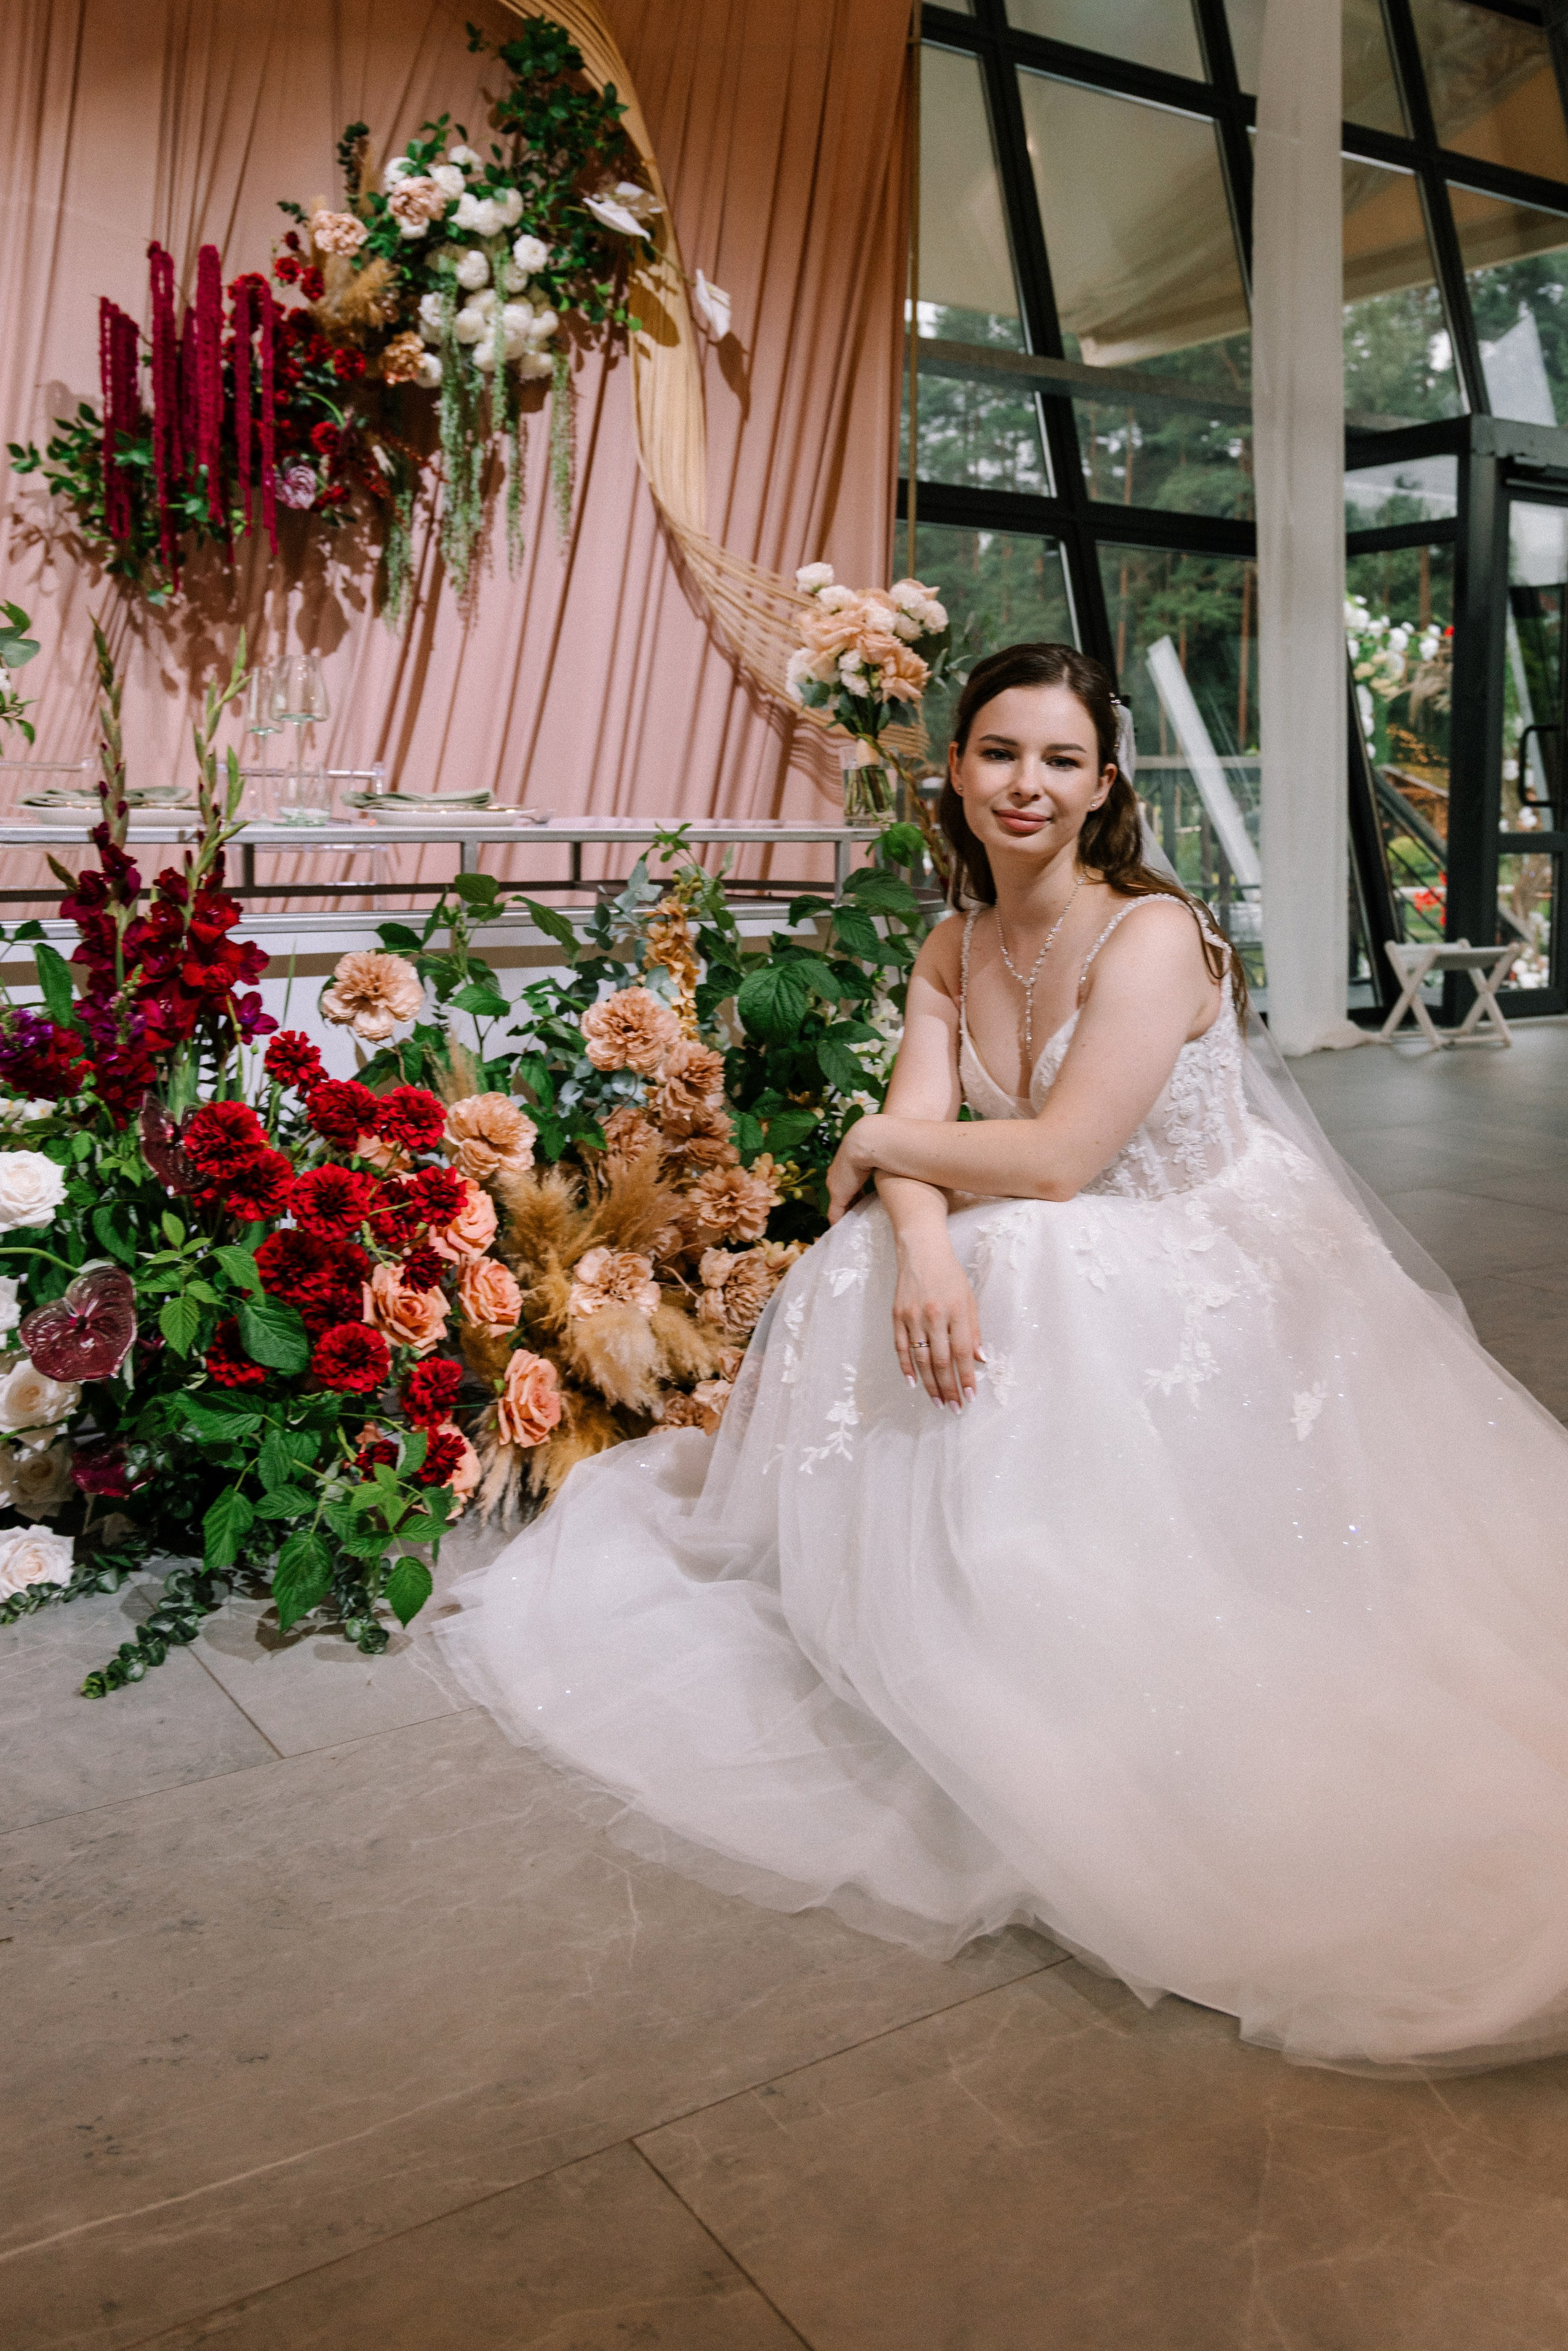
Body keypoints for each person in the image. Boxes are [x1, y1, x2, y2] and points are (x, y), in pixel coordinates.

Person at [436, 643, 1568, 2075]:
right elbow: (921, 1143)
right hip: (1039, 1221)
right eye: (997, 752)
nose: (1024, 783)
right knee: (877, 1264)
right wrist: (916, 1242)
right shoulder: (950, 944)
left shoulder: (1151, 935)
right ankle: (942, 1593)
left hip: (1192, 1245)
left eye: (1058, 759)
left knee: (1031, 1257)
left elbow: (1060, 1156)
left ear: (1102, 787)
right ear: (956, 770)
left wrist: (881, 1146)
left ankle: (1050, 1606)